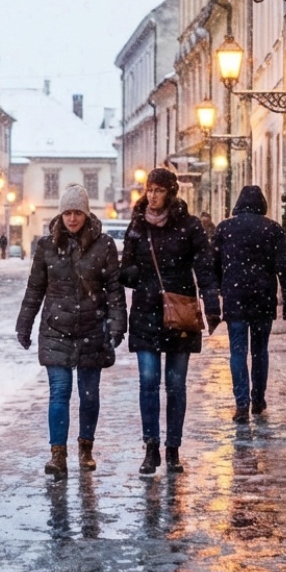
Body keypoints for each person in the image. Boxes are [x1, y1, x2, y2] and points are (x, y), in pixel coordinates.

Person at [16, 184, 126, 478]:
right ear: (60, 215)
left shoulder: (103, 245)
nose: (73, 218)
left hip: (92, 328)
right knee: (60, 392)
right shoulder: (46, 246)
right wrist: (24, 324)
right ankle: (58, 455)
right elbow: (35, 289)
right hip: (56, 329)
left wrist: (118, 324)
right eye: (68, 213)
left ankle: (86, 448)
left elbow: (114, 290)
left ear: (86, 214)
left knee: (89, 395)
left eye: (78, 212)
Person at [119, 168, 220, 474]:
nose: (153, 196)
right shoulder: (137, 225)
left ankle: (173, 447)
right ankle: (151, 448)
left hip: (179, 311)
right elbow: (126, 268)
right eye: (150, 190)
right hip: (146, 311)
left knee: (175, 384)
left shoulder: (189, 226)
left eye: (159, 190)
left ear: (171, 193)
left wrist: (212, 305)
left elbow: (204, 268)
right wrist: (130, 274)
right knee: (149, 381)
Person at [213, 185, 286, 422]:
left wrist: (220, 288)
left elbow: (214, 264)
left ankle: (242, 403)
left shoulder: (225, 228)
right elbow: (284, 268)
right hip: (263, 297)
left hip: (235, 298)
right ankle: (258, 399)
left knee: (237, 351)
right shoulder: (273, 229)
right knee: (260, 351)